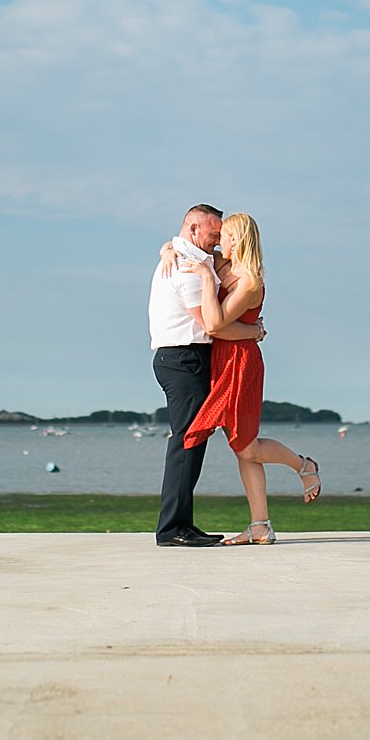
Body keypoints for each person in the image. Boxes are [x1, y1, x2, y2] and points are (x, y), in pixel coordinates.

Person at [176, 213, 320, 545]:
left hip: (241, 364)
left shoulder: (250, 282)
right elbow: (181, 244)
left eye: (222, 235)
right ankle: (260, 526)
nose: (216, 241)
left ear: (236, 240)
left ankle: (303, 465)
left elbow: (214, 324)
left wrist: (203, 277)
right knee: (243, 449)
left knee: (246, 444)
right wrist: (166, 251)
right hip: (222, 360)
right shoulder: (221, 263)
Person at [148, 204, 264, 547]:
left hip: (186, 358)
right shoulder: (187, 270)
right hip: (184, 358)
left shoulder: (189, 256)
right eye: (213, 236)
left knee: (192, 440)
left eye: (220, 237)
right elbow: (214, 327)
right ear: (194, 230)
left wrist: (166, 246)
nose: (216, 243)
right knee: (186, 440)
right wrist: (254, 333)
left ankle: (181, 523)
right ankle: (172, 529)